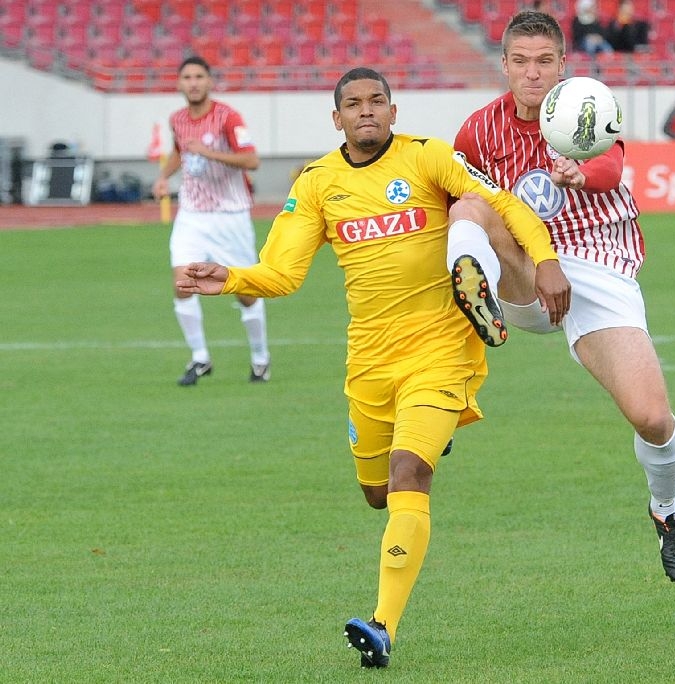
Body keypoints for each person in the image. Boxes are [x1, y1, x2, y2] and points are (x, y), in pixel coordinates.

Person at [175, 67, 570, 669]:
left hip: (441, 348)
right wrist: (229, 277)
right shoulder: (317, 183)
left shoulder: (427, 157)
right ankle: (433, 433)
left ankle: (383, 626)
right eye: (354, 104)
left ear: (393, 111)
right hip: (370, 361)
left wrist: (545, 261)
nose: (367, 110)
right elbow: (282, 273)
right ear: (337, 119)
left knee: (410, 473)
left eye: (377, 101)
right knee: (376, 493)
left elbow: (503, 204)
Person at [450, 10, 675, 584]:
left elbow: (610, 164)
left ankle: (667, 510)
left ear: (563, 64)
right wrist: (540, 260)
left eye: (544, 61)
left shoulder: (583, 104)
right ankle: (445, 389)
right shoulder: (478, 131)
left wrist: (580, 175)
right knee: (466, 207)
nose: (532, 73)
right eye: (520, 61)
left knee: (652, 418)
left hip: (596, 263)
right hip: (526, 265)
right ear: (504, 65)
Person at [152, 56, 271, 386]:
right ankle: (200, 357)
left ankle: (260, 358)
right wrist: (163, 177)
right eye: (187, 77)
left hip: (229, 216)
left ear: (209, 81)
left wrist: (208, 153)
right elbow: (180, 151)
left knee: (245, 292)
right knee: (182, 283)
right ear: (179, 83)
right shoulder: (177, 119)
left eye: (199, 77)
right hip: (192, 215)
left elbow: (252, 160)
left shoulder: (228, 117)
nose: (193, 83)